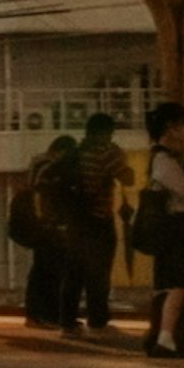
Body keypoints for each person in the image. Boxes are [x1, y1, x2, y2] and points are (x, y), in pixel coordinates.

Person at [134, 103, 184, 360]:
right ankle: (165, 338)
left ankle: (164, 337)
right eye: (183, 124)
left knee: (178, 285)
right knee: (180, 284)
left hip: (177, 227)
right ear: (171, 128)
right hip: (178, 228)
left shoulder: (165, 159)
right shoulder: (164, 160)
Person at [63, 111, 131, 334]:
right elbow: (128, 177)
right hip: (98, 219)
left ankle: (68, 321)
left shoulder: (77, 152)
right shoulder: (107, 152)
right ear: (105, 132)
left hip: (75, 220)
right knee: (99, 272)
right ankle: (98, 320)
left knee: (74, 272)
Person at [17, 135, 78, 329]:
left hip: (42, 225)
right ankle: (43, 315)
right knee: (48, 271)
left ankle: (43, 314)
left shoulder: (38, 164)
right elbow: (46, 195)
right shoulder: (48, 167)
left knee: (44, 270)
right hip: (47, 225)